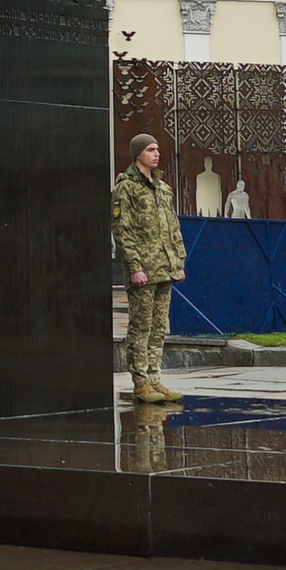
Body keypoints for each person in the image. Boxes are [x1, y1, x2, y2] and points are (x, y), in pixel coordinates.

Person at [113, 134, 187, 403]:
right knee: (141, 327)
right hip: (143, 269)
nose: (156, 154)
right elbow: (123, 231)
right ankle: (140, 382)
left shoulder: (162, 188)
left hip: (164, 267)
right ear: (137, 154)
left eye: (157, 149)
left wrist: (178, 261)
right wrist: (135, 267)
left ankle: (155, 379)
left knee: (158, 328)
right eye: (150, 149)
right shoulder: (127, 187)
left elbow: (173, 228)